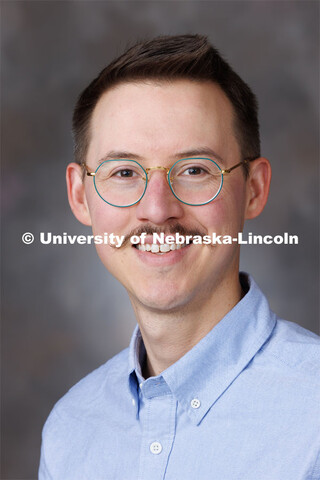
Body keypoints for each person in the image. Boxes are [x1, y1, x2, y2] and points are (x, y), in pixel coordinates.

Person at [39, 35, 320, 479]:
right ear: (80, 195)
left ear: (254, 189)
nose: (157, 209)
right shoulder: (70, 431)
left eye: (194, 170)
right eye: (124, 172)